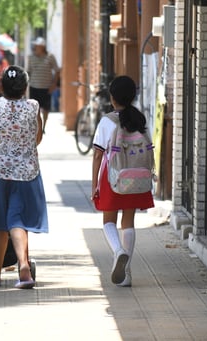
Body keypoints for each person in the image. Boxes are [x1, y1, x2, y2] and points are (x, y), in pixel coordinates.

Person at [0, 65, 48, 289]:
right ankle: (24, 268)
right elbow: (37, 139)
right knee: (18, 220)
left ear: (3, 85)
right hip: (25, 172)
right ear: (25, 88)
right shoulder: (33, 106)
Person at [91, 75, 155, 287]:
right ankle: (126, 274)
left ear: (112, 97)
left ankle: (118, 251)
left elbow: (98, 155)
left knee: (109, 221)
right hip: (136, 176)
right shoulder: (139, 119)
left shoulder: (107, 121)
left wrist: (95, 185)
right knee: (128, 222)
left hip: (114, 176)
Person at [27, 37, 60, 132]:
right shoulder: (31, 57)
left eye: (37, 46)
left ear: (42, 47)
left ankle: (43, 127)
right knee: (34, 109)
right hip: (34, 86)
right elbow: (28, 71)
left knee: (46, 109)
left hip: (46, 87)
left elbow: (57, 71)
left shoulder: (50, 57)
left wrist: (54, 84)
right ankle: (35, 127)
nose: (35, 47)